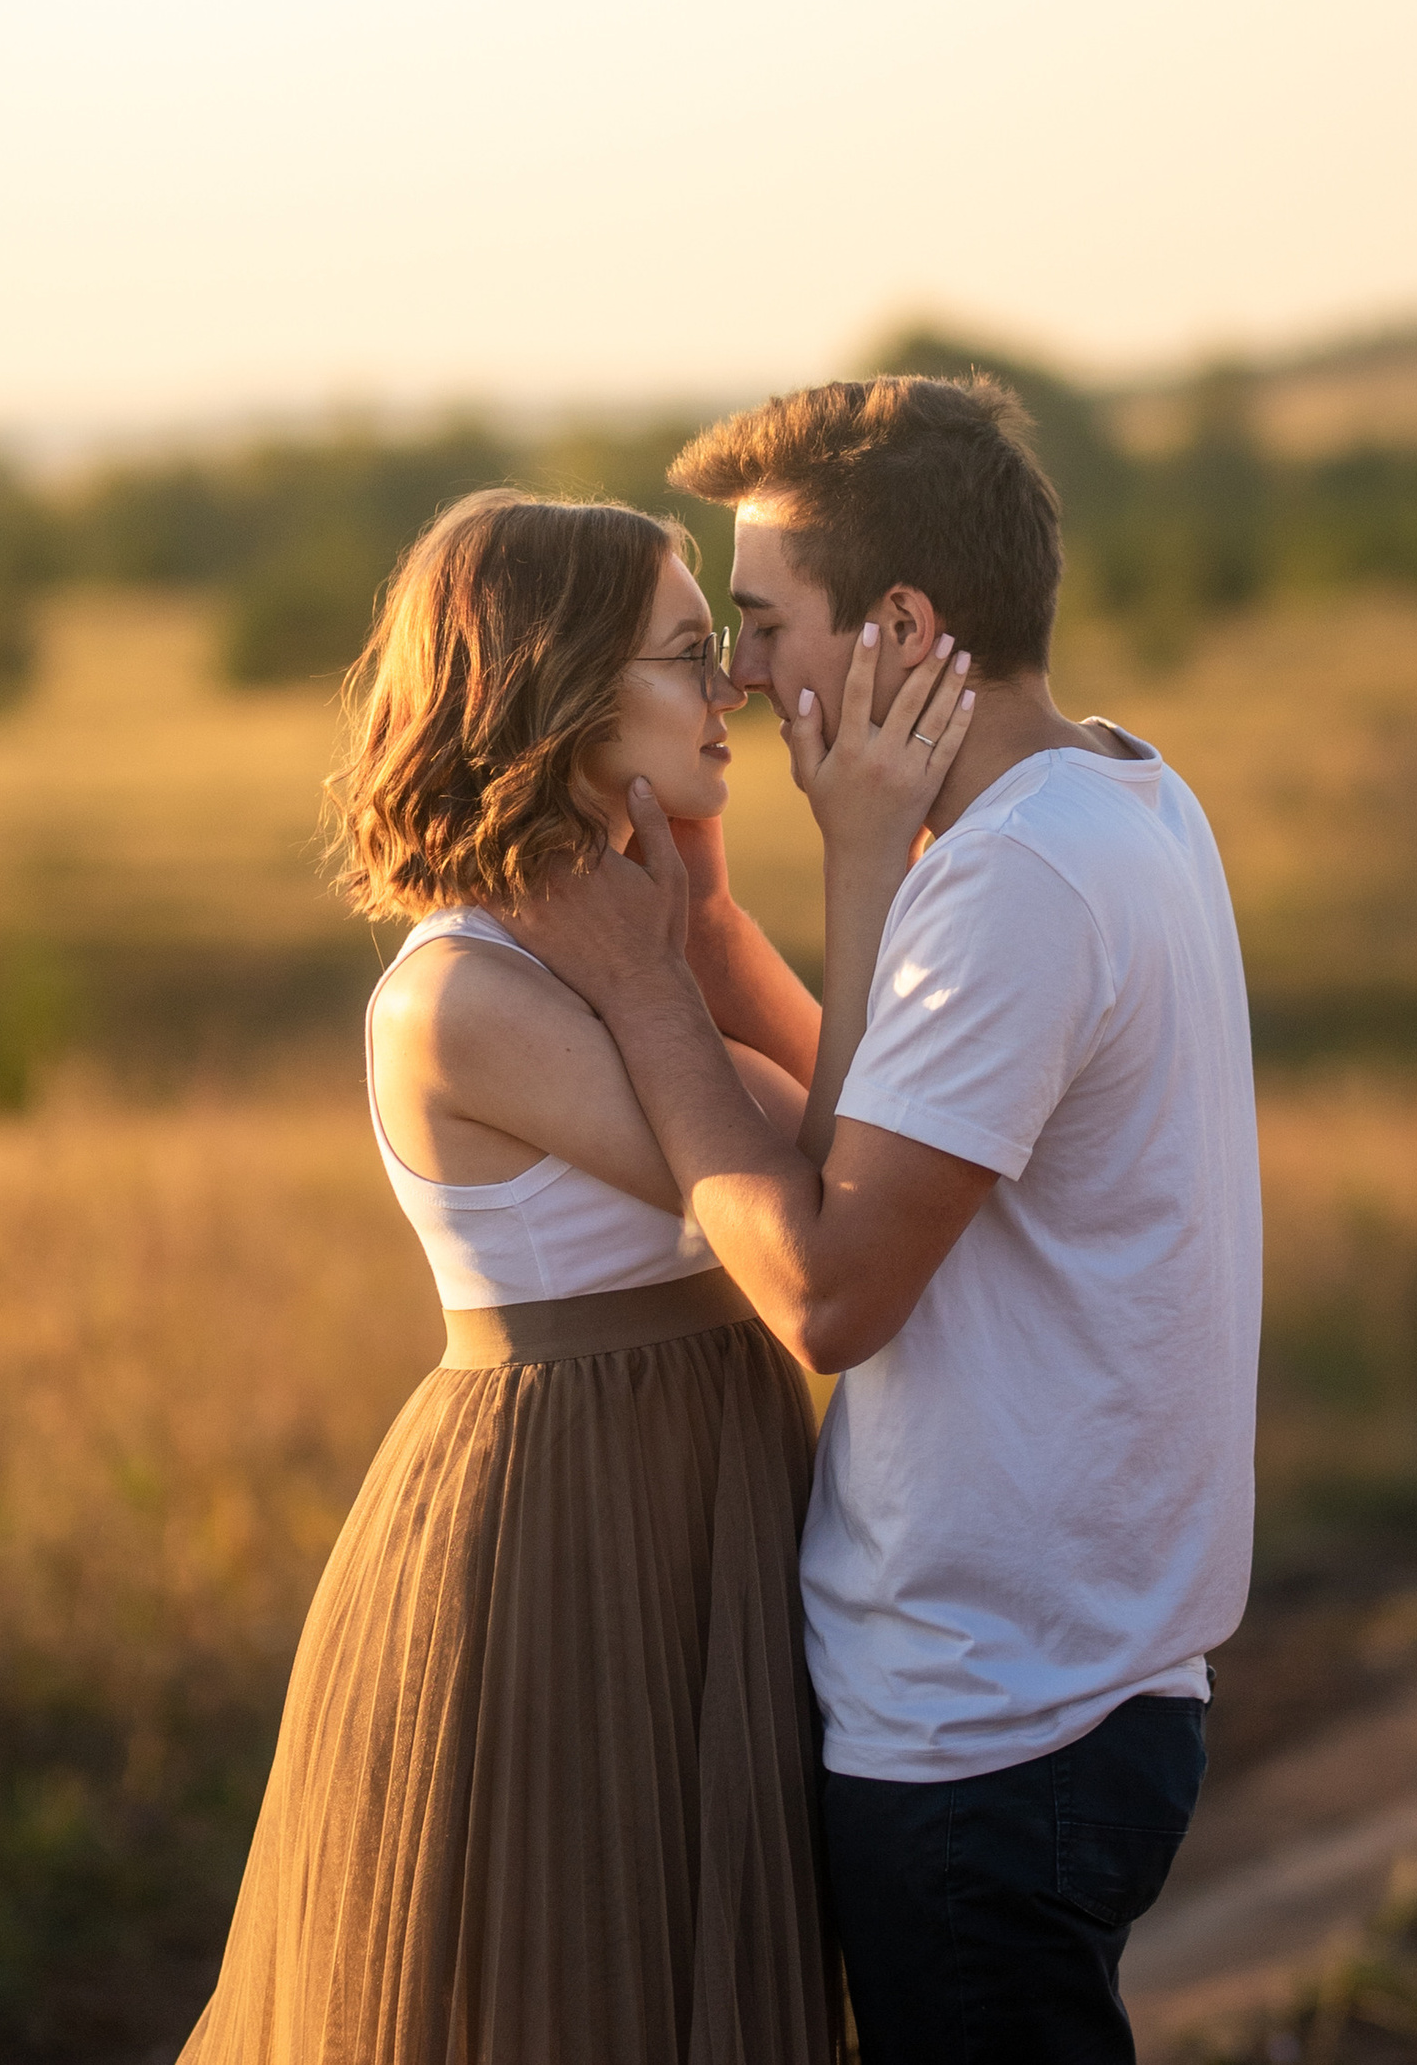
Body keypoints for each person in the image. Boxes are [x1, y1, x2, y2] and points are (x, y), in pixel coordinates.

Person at [508, 374, 1262, 2065]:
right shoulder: (1116, 797)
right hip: (1083, 1684)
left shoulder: (1011, 884)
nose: (746, 674)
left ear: (905, 623)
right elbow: (888, 1120)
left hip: (994, 1721)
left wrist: (643, 995)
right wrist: (714, 926)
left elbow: (834, 1287)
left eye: (766, 623)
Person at [176, 484, 968, 2065]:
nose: (732, 683)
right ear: (559, 689)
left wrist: (718, 925)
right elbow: (814, 1180)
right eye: (690, 652)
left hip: (697, 1484)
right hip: (562, 1520)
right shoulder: (465, 991)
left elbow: (856, 1134)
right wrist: (861, 867)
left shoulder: (621, 924)